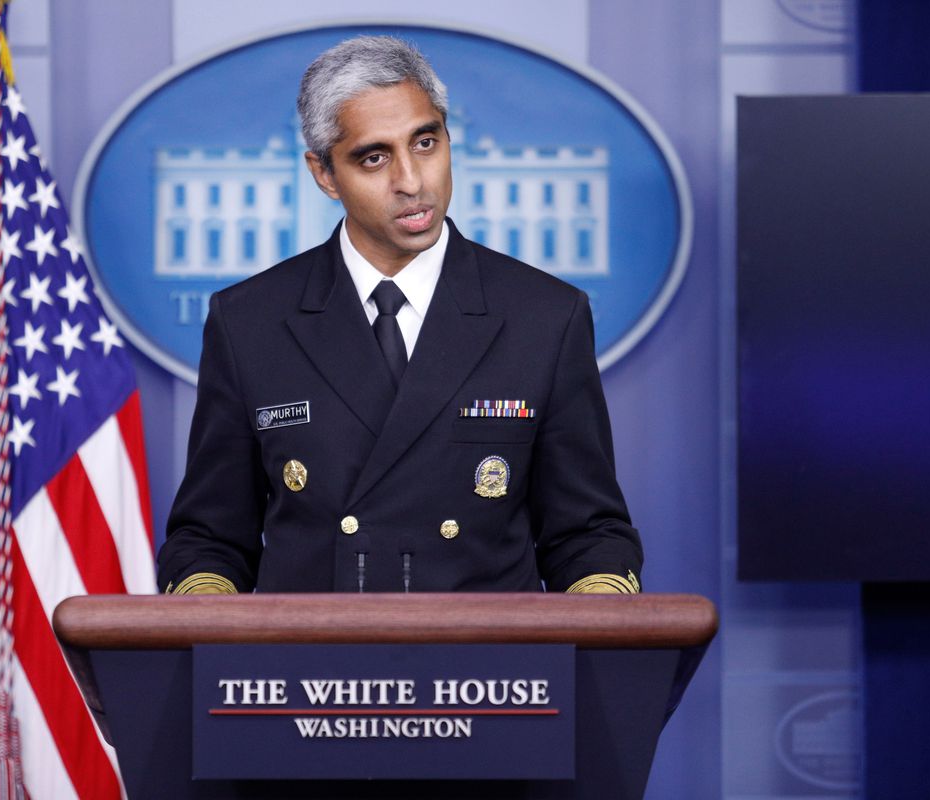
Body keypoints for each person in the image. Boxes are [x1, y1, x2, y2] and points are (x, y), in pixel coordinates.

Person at [156, 35, 642, 595]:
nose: (412, 182)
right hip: (309, 670)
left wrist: (599, 605)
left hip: (489, 674)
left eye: (426, 142)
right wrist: (212, 612)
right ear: (324, 174)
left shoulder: (546, 317)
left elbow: (587, 535)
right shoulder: (249, 322)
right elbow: (210, 538)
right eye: (374, 157)